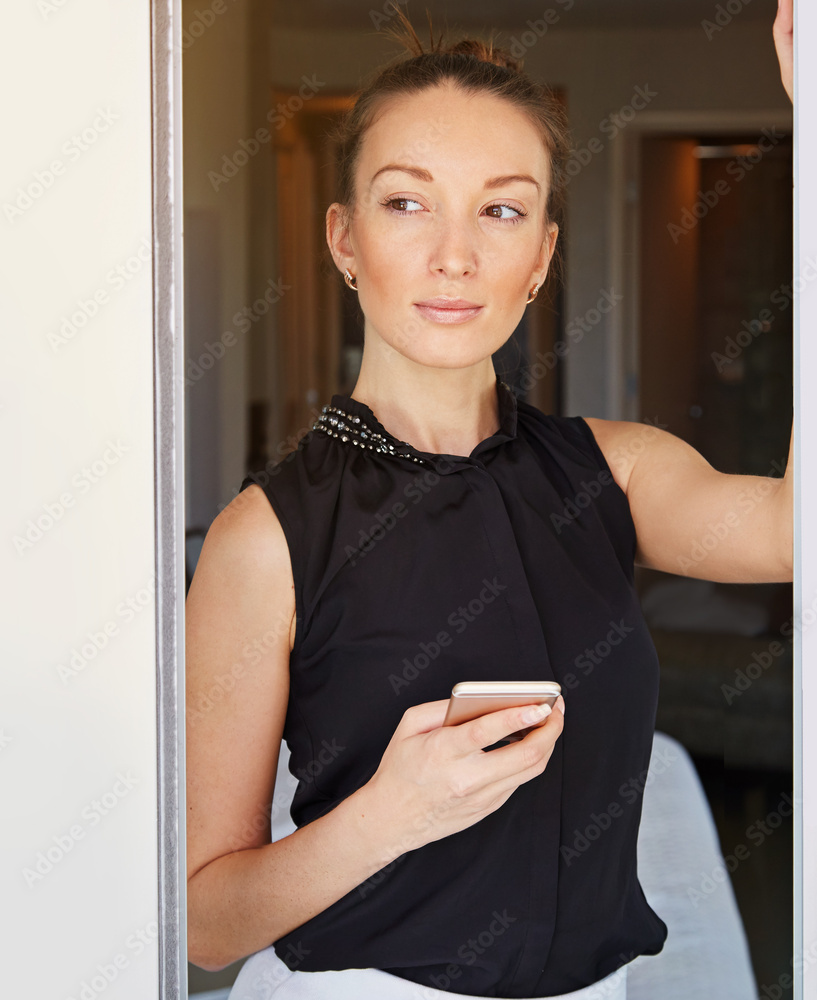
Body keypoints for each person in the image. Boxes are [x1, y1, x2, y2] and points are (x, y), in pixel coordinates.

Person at [185, 5, 795, 998]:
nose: (455, 255)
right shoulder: (268, 538)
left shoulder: (617, 471)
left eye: (501, 210)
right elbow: (209, 923)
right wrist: (396, 810)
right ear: (343, 237)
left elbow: (792, 529)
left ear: (543, 255)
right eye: (407, 203)